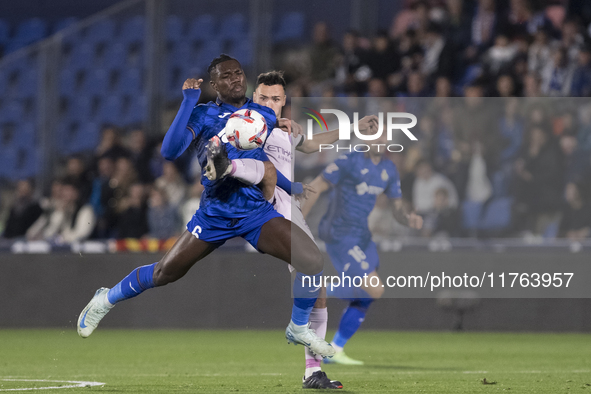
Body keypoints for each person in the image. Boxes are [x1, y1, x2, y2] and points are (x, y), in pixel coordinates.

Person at [76, 55, 334, 363]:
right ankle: (105, 298)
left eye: (238, 73)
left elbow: (269, 163)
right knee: (164, 272)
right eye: (226, 76)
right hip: (216, 212)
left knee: (312, 260)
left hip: (254, 211)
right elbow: (170, 151)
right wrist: (187, 102)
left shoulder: (263, 114)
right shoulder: (203, 114)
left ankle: (298, 327)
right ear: (214, 85)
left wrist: (289, 179)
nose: (235, 79)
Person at [247, 70, 376, 389]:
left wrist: (353, 128)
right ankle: (299, 333)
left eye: (275, 99)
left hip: (288, 213)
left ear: (284, 102)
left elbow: (314, 143)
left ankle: (312, 371)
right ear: (253, 100)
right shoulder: (244, 126)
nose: (269, 103)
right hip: (258, 213)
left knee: (318, 290)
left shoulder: (287, 133)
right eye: (262, 97)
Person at [302, 130, 423, 365]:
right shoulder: (349, 161)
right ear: (365, 139)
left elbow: (397, 208)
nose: (380, 140)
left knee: (366, 297)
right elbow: (316, 186)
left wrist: (408, 219)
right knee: (375, 289)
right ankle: (321, 288)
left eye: (384, 137)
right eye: (374, 136)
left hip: (363, 237)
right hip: (340, 233)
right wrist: (298, 222)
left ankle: (334, 349)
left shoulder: (389, 169)